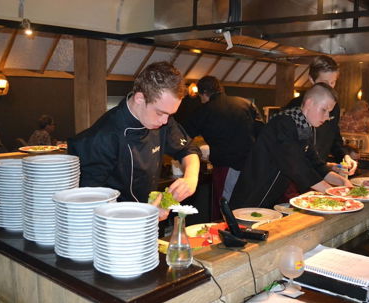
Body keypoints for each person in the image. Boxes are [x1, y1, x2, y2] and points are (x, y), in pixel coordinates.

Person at [68, 62, 201, 220]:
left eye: (170, 115)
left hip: (147, 221)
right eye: (160, 113)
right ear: (140, 98)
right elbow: (87, 201)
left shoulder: (162, 119)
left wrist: (191, 178)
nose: (165, 121)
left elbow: (187, 149)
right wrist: (142, 214)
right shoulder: (104, 136)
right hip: (114, 228)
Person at [230, 83, 353, 209]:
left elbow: (316, 164)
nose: (327, 117)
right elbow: (296, 166)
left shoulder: (303, 127)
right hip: (250, 199)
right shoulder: (283, 124)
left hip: (270, 201)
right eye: (324, 110)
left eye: (329, 112)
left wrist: (343, 182)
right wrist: (332, 192)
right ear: (309, 103)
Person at [183, 76, 263, 219]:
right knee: (247, 206)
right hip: (253, 165)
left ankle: (224, 236)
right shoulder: (246, 103)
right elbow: (261, 131)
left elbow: (183, 137)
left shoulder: (203, 111)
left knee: (226, 207)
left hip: (227, 167)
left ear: (203, 93)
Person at [285, 55, 357, 175]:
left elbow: (334, 138)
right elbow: (295, 154)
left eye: (333, 82)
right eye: (324, 83)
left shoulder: (334, 107)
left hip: (318, 171)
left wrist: (344, 156)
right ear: (311, 80)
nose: (329, 87)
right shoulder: (296, 108)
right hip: (296, 176)